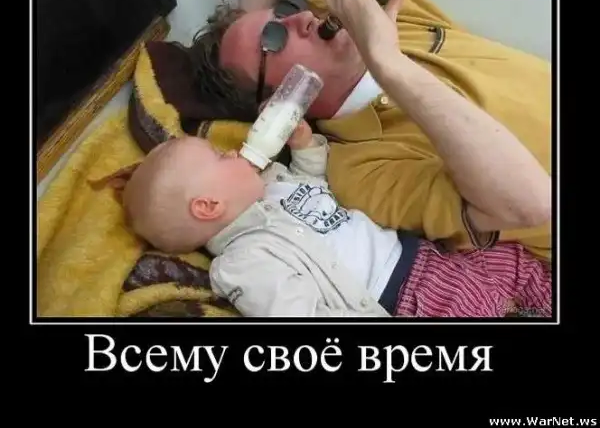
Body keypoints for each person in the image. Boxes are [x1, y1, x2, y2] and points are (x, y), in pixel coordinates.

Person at [189, 0, 552, 262]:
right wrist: (387, 63)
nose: (301, 17)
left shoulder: (370, 20)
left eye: (282, 14)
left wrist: (249, 21)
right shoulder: (359, 170)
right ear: (278, 102)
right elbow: (531, 202)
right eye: (273, 37)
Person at [121, 118, 552, 318]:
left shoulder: (272, 184)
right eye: (220, 156)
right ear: (208, 206)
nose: (233, 151)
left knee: (518, 264)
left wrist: (305, 145)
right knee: (479, 307)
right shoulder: (243, 262)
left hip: (422, 252)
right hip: (403, 296)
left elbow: (314, 182)